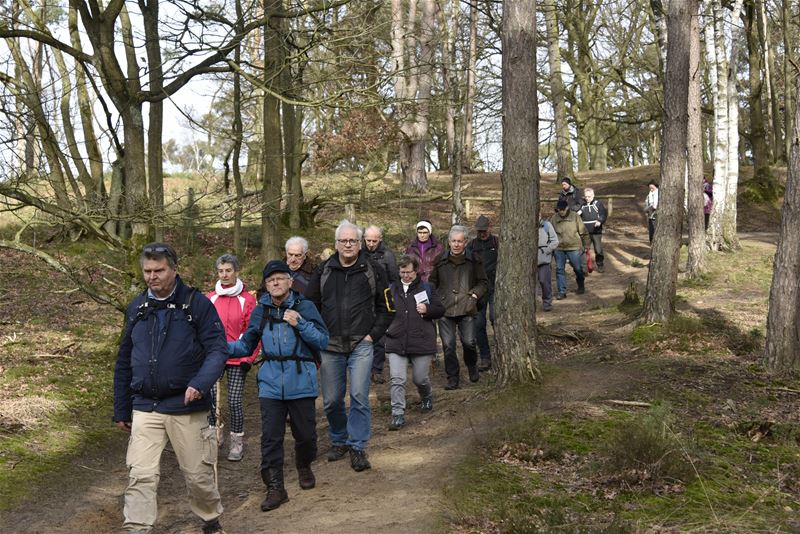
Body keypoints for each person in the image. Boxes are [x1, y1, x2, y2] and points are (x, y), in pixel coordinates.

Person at [113, 243, 228, 534]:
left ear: (174, 269)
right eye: (147, 271)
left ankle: (210, 520)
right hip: (145, 406)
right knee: (141, 474)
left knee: (197, 476)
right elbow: (124, 360)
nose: (152, 277)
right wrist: (121, 408)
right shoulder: (137, 308)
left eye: (159, 270)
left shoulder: (197, 304)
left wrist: (200, 384)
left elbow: (218, 350)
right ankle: (138, 528)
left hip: (186, 405)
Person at [227, 260, 329, 512]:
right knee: (270, 439)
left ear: (290, 281)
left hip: (301, 380)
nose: (275, 282)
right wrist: (219, 347)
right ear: (265, 285)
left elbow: (323, 340)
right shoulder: (260, 311)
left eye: (280, 278)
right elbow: (246, 345)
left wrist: (300, 323)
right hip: (270, 383)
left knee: (305, 436)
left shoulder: (305, 306)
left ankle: (304, 464)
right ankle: (275, 487)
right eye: (270, 279)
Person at [305, 220, 394, 472]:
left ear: (360, 243)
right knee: (332, 401)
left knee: (358, 397)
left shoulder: (374, 269)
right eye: (343, 240)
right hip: (329, 346)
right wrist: (318, 334)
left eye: (352, 240)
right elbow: (309, 306)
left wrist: (372, 335)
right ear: (336, 244)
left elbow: (387, 308)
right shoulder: (323, 271)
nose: (347, 244)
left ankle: (357, 445)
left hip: (361, 344)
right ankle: (339, 438)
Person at [207, 254, 258, 462]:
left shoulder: (247, 299)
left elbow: (253, 332)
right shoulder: (210, 298)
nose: (225, 275)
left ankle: (236, 441)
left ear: (236, 271)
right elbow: (204, 329)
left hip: (238, 357)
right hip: (214, 356)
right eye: (221, 271)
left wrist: (248, 358)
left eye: (228, 270)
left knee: (235, 400)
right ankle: (213, 437)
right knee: (210, 398)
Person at [384, 255, 445, 430]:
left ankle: (426, 396)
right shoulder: (390, 288)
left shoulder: (427, 287)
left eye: (409, 272)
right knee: (397, 379)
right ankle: (397, 414)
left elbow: (440, 309)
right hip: (396, 340)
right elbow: (383, 312)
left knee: (419, 378)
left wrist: (428, 309)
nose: (406, 276)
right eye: (402, 272)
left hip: (421, 340)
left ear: (416, 270)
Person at [429, 225, 489, 390]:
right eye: (453, 241)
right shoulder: (440, 260)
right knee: (448, 345)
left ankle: (471, 366)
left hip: (467, 307)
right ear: (449, 242)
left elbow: (483, 282)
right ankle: (452, 377)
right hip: (445, 309)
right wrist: (435, 298)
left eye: (459, 241)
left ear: (465, 242)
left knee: (469, 342)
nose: (456, 244)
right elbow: (432, 282)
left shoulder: (474, 260)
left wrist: (475, 295)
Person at [362, 225, 399, 384]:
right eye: (368, 240)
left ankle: (377, 369)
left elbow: (393, 278)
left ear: (380, 239)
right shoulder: (358, 253)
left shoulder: (388, 256)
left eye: (374, 241)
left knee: (379, 336)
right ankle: (363, 369)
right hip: (361, 300)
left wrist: (387, 298)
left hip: (380, 301)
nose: (371, 244)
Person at [466, 215, 498, 371]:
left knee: (496, 319)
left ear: (490, 228)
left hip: (495, 288)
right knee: (479, 324)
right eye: (479, 231)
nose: (482, 234)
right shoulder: (471, 245)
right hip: (479, 290)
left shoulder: (497, 242)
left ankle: (501, 352)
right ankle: (485, 357)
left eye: (484, 231)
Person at [552, 199, 589, 299]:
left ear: (567, 208)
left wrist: (586, 245)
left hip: (574, 247)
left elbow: (583, 231)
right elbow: (551, 234)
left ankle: (581, 285)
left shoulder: (575, 216)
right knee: (559, 270)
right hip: (559, 248)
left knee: (578, 269)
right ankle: (562, 291)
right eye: (559, 210)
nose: (561, 211)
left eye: (563, 209)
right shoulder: (554, 218)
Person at [579, 188, 608, 273]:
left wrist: (600, 220)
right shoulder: (582, 205)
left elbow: (603, 213)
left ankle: (600, 264)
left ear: (593, 195)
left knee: (598, 249)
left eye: (589, 196)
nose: (587, 198)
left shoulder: (597, 203)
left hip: (596, 231)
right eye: (586, 197)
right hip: (585, 231)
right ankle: (584, 267)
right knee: (584, 250)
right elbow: (577, 214)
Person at [537, 218, 559, 312]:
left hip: (544, 259)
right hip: (529, 260)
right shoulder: (525, 224)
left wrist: (546, 251)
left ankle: (547, 302)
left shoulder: (547, 225)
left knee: (544, 281)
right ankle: (531, 305)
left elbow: (555, 241)